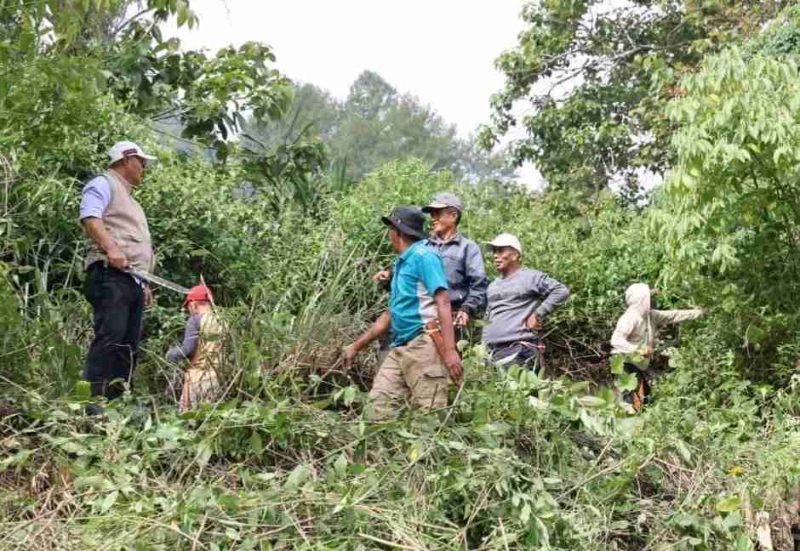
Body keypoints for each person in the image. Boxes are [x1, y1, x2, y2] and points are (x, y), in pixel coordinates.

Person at [345, 207, 463, 420]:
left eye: (390, 229)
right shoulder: (401, 263)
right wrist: (356, 346)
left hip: (423, 345)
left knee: (429, 416)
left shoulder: (424, 256)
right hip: (399, 347)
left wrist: (450, 350)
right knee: (377, 411)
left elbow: (443, 300)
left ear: (397, 231)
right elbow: (392, 313)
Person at [79, 141, 156, 407]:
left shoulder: (133, 202)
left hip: (132, 280)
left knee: (128, 347)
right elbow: (90, 217)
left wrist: (144, 284)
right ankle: (91, 405)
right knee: (110, 339)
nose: (144, 168)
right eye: (141, 162)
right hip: (110, 275)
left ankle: (117, 405)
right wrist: (111, 248)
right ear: (126, 160)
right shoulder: (104, 184)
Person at [373, 192, 488, 345]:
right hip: (421, 321)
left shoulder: (467, 248)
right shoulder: (422, 247)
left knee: (450, 357)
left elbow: (479, 285)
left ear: (453, 216)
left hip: (452, 319)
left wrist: (467, 309)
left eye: (437, 214)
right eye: (432, 214)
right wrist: (389, 276)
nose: (433, 218)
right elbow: (408, 281)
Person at [482, 233, 569, 372]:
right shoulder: (493, 285)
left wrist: (537, 314)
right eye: (494, 251)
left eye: (501, 251)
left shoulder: (530, 277)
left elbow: (560, 291)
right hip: (491, 352)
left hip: (518, 349)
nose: (495, 256)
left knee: (517, 386)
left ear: (515, 255)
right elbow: (489, 316)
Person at [610, 283, 703, 410]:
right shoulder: (629, 318)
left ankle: (637, 416)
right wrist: (638, 350)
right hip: (623, 363)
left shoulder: (651, 316)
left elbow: (674, 315)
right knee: (635, 401)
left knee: (646, 398)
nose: (650, 300)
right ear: (641, 300)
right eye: (647, 297)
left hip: (636, 364)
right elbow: (616, 340)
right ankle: (631, 416)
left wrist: (699, 313)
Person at [166, 285, 223, 412]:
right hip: (219, 379)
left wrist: (170, 354)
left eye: (188, 307)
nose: (189, 311)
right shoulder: (222, 320)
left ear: (194, 304)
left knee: (189, 418)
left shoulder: (195, 320)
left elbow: (187, 350)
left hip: (197, 379)